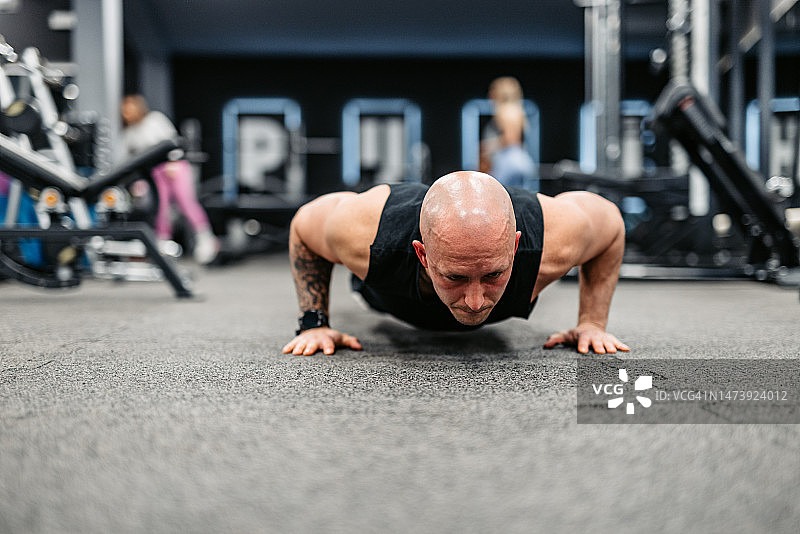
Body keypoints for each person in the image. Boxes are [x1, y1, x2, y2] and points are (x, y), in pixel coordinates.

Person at [282, 170, 629, 356]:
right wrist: (314, 322)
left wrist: (592, 323)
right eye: (455, 277)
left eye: (493, 274)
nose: (476, 301)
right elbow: (304, 226)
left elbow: (610, 223)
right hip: (386, 292)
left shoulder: (553, 239)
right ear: (423, 256)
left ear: (514, 248)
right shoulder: (367, 235)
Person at [120, 94, 219, 265]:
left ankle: (206, 239)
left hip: (175, 167)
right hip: (155, 173)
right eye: (124, 111)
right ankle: (163, 245)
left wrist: (173, 162)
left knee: (186, 203)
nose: (127, 114)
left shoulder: (155, 120)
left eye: (129, 109)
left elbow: (172, 141)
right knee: (161, 208)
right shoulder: (129, 133)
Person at [479, 76, 537, 190]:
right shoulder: (518, 110)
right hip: (519, 160)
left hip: (508, 161)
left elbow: (511, 139)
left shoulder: (505, 111)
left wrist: (487, 146)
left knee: (498, 194)